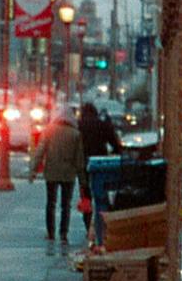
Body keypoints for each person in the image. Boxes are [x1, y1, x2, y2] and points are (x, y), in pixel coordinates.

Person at [29, 105, 86, 247]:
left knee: (51, 203)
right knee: (66, 205)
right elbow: (79, 159)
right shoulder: (75, 134)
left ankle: (50, 232)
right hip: (68, 174)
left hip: (51, 172)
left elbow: (40, 151)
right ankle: (63, 233)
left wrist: (33, 171)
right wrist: (82, 179)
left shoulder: (49, 131)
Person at [78, 99, 124, 252]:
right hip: (101, 165)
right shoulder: (102, 124)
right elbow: (114, 143)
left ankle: (88, 226)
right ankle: (99, 230)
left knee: (86, 196)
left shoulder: (79, 125)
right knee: (101, 199)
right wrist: (118, 154)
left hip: (83, 164)